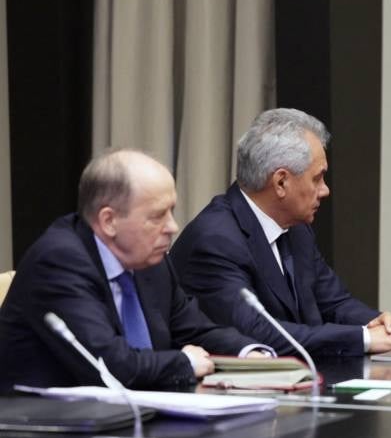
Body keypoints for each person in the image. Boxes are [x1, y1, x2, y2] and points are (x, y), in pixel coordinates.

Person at [0, 150, 273, 392]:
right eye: (157, 216)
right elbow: (109, 364)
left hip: (126, 417)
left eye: (171, 212)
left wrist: (249, 355)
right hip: (42, 431)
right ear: (109, 221)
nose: (172, 227)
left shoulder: (147, 259)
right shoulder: (59, 261)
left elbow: (194, 330)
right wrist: (184, 362)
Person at [170, 108, 391, 357]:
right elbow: (258, 332)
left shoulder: (297, 229)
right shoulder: (216, 239)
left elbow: (334, 302)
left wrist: (377, 323)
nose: (325, 190)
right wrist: (364, 338)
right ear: (281, 182)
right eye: (317, 178)